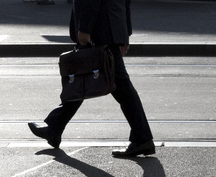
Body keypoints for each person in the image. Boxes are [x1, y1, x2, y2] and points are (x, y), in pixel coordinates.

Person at [28, 0, 154, 158]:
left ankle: (143, 139)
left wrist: (85, 28)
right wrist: (125, 31)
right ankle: (54, 128)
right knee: (83, 77)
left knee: (116, 85)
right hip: (109, 25)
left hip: (99, 28)